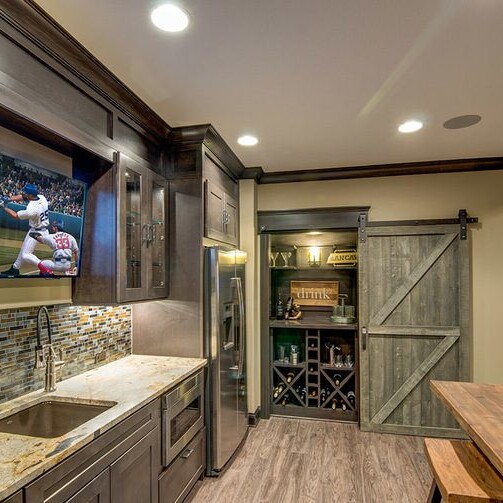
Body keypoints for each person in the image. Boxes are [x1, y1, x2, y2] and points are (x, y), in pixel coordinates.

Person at [0, 183, 51, 277]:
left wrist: (4, 207)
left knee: (26, 254)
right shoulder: (41, 197)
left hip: (37, 232)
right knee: (23, 250)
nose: (24, 194)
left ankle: (45, 267)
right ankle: (15, 269)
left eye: (26, 193)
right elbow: (23, 197)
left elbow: (15, 215)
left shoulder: (32, 209)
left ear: (31, 195)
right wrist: (9, 199)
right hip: (38, 229)